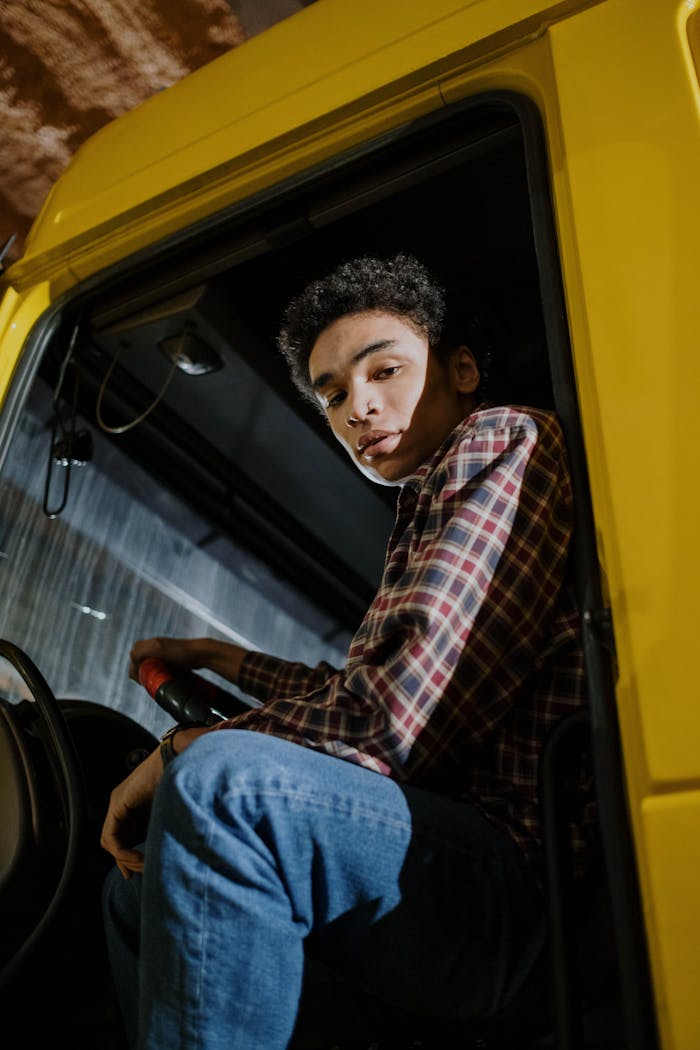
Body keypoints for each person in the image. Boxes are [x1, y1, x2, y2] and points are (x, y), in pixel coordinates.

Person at [101, 253, 588, 1049]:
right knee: (135, 891)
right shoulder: (424, 508)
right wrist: (218, 657)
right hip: (449, 858)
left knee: (226, 787)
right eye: (332, 395)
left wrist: (184, 748)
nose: (359, 406)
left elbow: (393, 718)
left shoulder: (501, 438)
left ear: (461, 370)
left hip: (520, 887)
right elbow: (368, 689)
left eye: (384, 370)